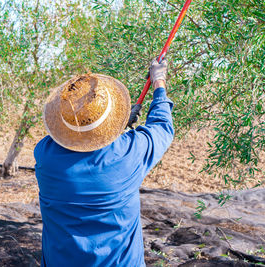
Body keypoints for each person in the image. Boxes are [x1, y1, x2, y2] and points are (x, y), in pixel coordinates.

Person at [34, 59, 174, 266]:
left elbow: (63, 140)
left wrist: (113, 130)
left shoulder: (45, 155)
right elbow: (162, 126)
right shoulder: (129, 153)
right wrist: (159, 81)